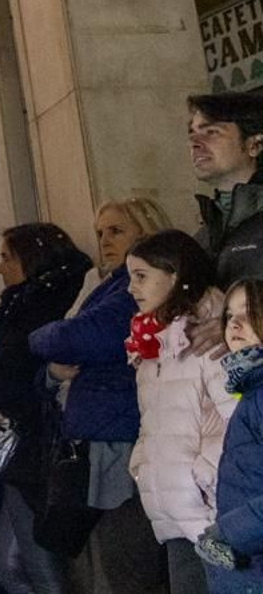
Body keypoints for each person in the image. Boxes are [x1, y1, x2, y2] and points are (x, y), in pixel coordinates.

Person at [29, 197, 171, 594]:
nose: (104, 241)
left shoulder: (132, 290)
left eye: (115, 231)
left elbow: (76, 335)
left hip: (122, 437)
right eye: (99, 233)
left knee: (127, 568)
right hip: (100, 435)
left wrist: (38, 340)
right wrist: (53, 365)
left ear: (145, 233)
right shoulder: (104, 284)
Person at [0, 222, 91, 594]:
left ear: (33, 257)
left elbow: (21, 367)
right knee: (8, 562)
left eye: (6, 258)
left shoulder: (47, 305)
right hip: (25, 443)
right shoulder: (28, 303)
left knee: (30, 563)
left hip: (41, 443)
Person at [124, 230, 232, 594]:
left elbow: (239, 420)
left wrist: (201, 478)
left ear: (176, 275)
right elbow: (151, 423)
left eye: (141, 276)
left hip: (213, 510)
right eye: (130, 277)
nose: (131, 288)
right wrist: (143, 466)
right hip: (170, 507)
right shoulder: (151, 348)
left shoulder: (207, 339)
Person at [197, 278, 263, 591]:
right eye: (229, 315)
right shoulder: (252, 390)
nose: (235, 322)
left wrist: (229, 534)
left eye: (250, 313)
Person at [189, 92, 263, 285]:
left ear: (254, 145)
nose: (195, 143)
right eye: (192, 133)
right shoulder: (201, 239)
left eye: (211, 132)